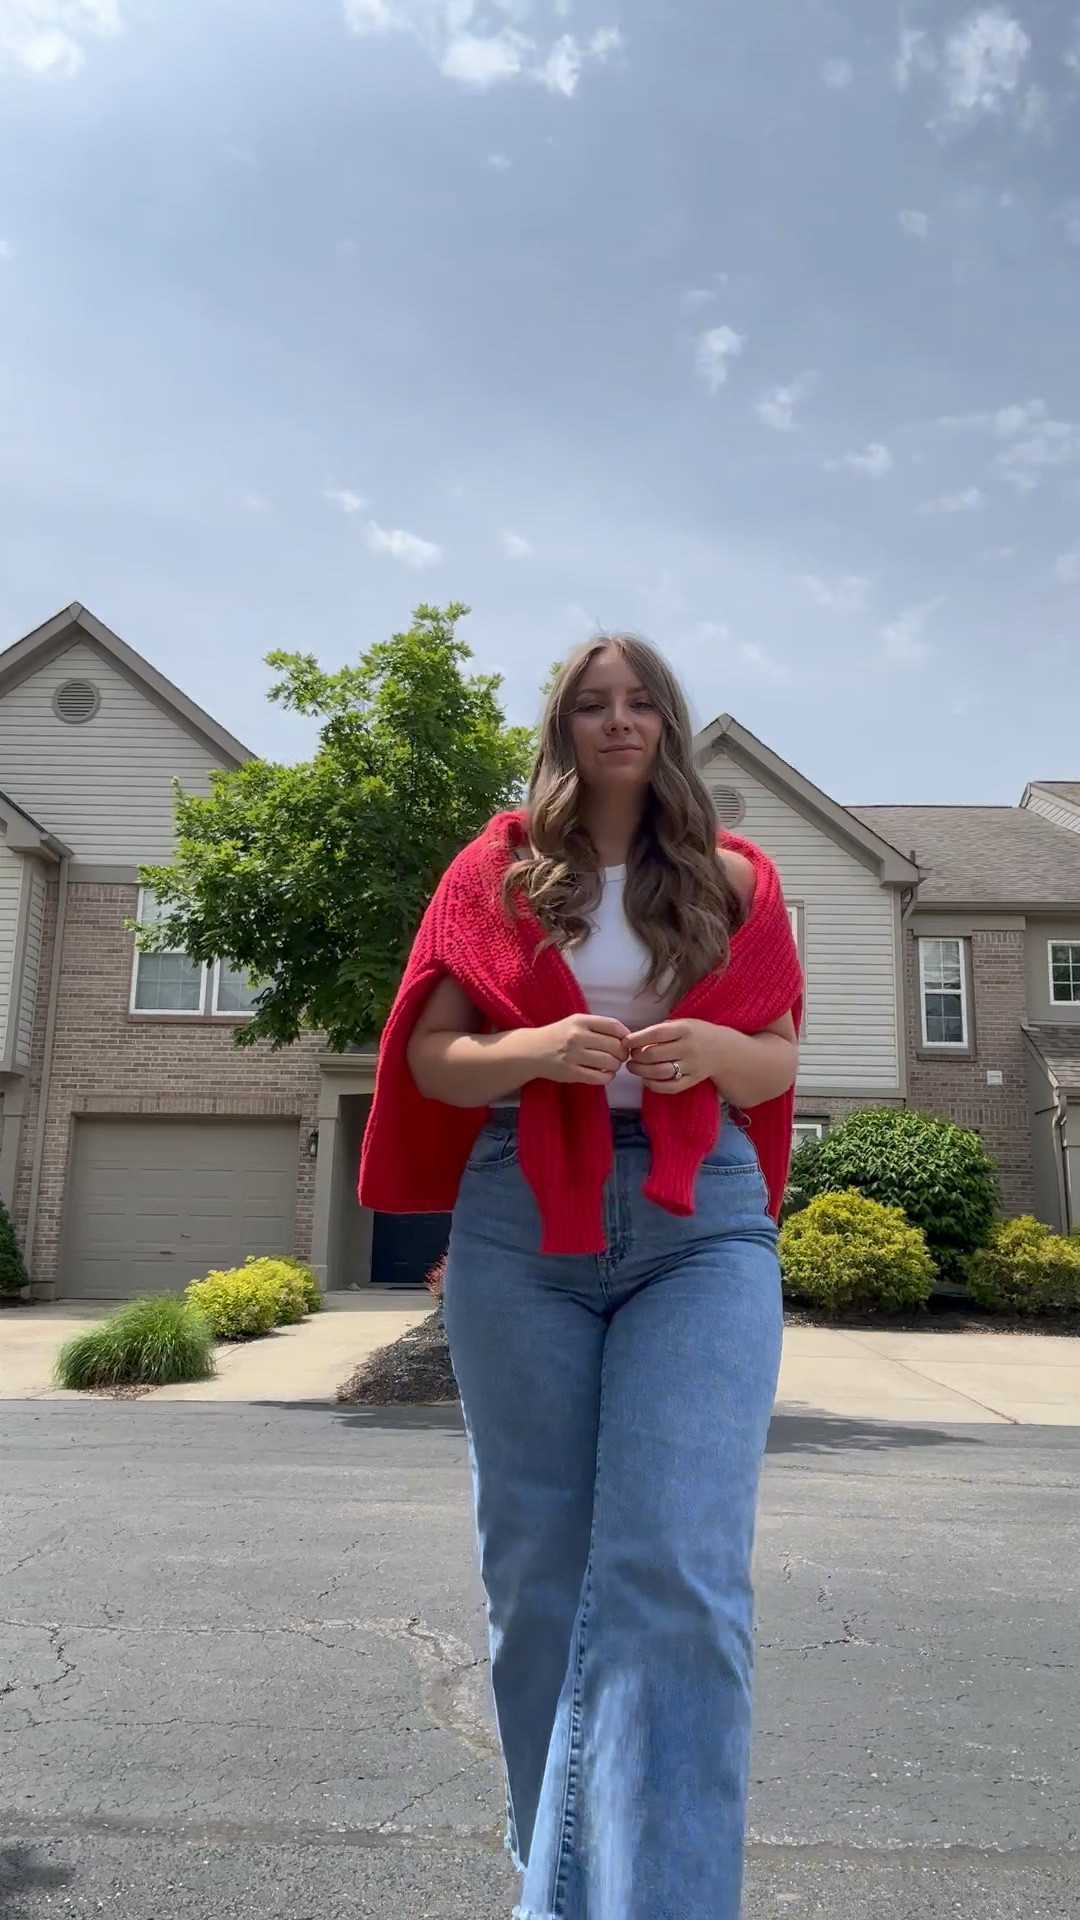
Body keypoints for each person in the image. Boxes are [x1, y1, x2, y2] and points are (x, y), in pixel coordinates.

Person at [359, 634, 803, 1920]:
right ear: (562, 727)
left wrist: (715, 1042)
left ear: (670, 720)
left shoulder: (733, 878)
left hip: (699, 1219)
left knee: (677, 1570)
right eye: (593, 704)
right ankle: (554, 1882)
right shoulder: (494, 875)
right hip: (520, 1226)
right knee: (538, 1580)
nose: (621, 721)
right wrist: (540, 1046)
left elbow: (775, 1058)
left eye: (641, 701)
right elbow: (435, 1059)